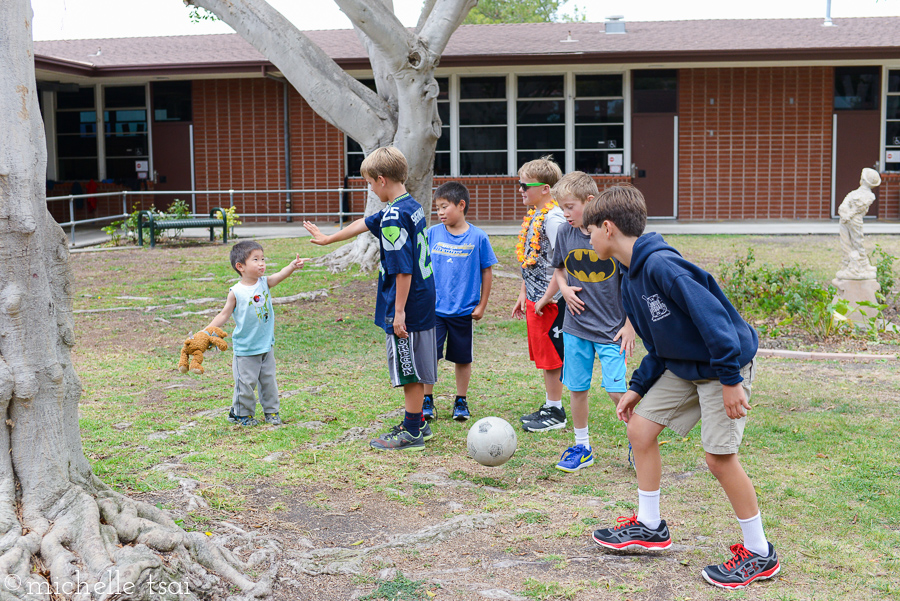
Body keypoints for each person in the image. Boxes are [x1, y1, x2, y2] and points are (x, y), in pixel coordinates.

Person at [582, 185, 779, 589]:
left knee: (719, 460)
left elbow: (716, 323)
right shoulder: (629, 277)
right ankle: (651, 527)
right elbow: (661, 344)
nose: (588, 240)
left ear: (608, 227)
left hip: (722, 366)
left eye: (589, 233)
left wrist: (730, 380)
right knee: (639, 428)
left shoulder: (663, 266)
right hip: (685, 366)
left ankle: (760, 553)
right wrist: (638, 388)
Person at [303, 146, 437, 451]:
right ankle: (416, 421)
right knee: (414, 362)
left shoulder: (393, 217)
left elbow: (403, 270)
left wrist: (399, 312)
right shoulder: (409, 205)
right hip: (424, 296)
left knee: (408, 365)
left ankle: (413, 431)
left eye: (369, 183)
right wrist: (328, 238)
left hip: (408, 302)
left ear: (381, 180)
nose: (369, 188)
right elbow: (364, 223)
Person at [550, 172, 634, 472]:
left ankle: (637, 443)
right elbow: (559, 269)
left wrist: (629, 325)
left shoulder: (611, 233)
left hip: (612, 331)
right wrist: (563, 289)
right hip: (576, 328)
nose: (564, 212)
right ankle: (582, 446)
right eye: (561, 207)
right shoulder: (564, 233)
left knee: (616, 391)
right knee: (577, 388)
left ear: (590, 201)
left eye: (570, 206)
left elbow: (633, 283)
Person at [204, 240, 308, 426]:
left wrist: (292, 266)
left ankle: (271, 412)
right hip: (245, 348)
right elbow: (223, 314)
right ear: (240, 266)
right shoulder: (236, 292)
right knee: (245, 383)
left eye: (262, 258)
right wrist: (206, 332)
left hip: (266, 344)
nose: (261, 263)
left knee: (268, 381)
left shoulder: (264, 283)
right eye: (255, 259)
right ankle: (241, 413)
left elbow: (280, 275)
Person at [424, 182, 498, 421]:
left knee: (462, 358)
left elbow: (487, 271)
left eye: (445, 207)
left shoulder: (478, 237)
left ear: (461, 205)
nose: (441, 212)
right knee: (429, 356)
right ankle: (427, 399)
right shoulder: (432, 234)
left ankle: (461, 400)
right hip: (433, 311)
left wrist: (482, 305)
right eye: (437, 208)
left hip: (463, 311)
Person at [511, 156, 568, 432]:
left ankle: (556, 411)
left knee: (553, 356)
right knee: (544, 356)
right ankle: (550, 403)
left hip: (551, 301)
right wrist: (524, 292)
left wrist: (547, 298)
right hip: (536, 297)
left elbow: (563, 263)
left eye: (525, 185)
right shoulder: (535, 214)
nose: (520, 190)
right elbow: (533, 258)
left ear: (545, 188)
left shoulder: (554, 218)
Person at [837, 167, 881, 280]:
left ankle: (860, 264)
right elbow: (845, 206)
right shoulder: (868, 195)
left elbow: (856, 207)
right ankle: (851, 264)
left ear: (862, 179)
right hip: (850, 219)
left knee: (850, 242)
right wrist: (845, 215)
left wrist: (846, 215)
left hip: (849, 218)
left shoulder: (858, 194)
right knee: (854, 242)